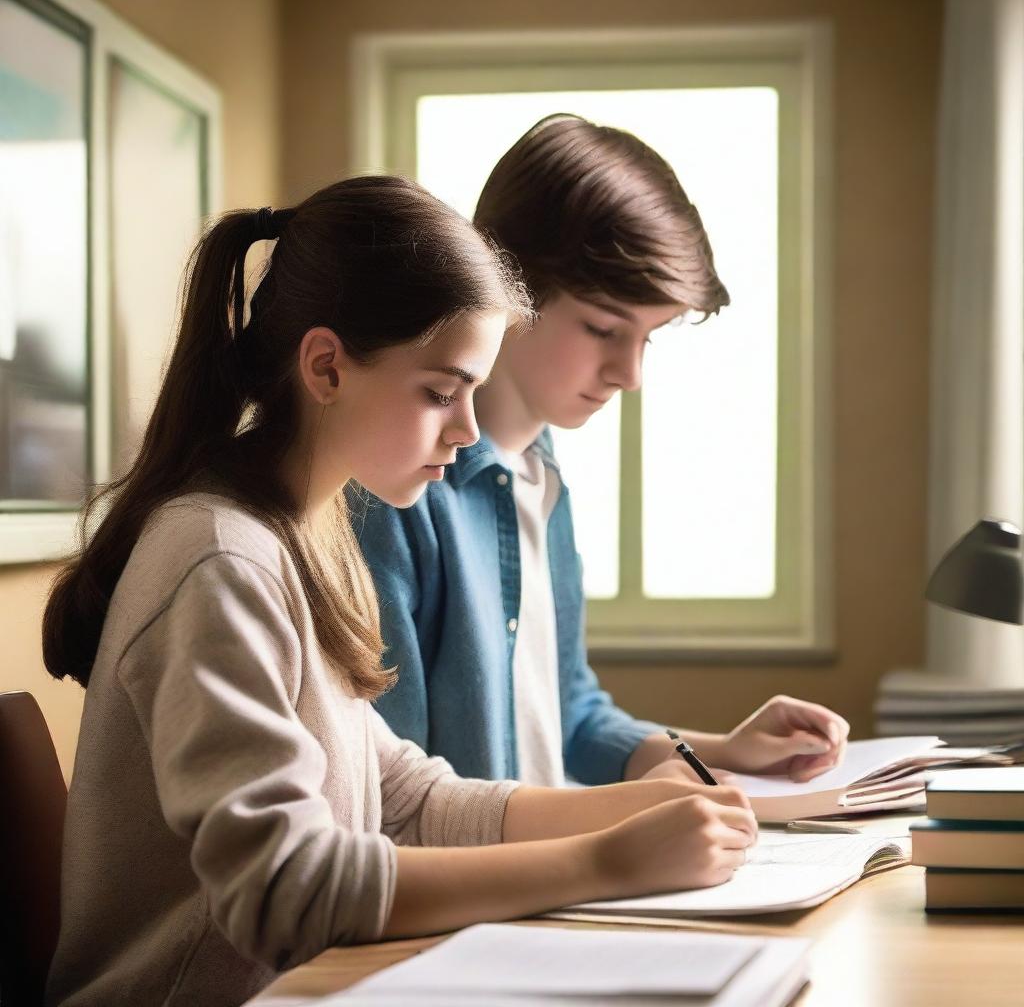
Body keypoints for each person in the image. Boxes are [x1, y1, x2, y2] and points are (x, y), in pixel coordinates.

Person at [41, 176, 756, 1007]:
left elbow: (404, 798)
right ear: (326, 367)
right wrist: (607, 863)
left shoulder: (306, 536)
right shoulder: (219, 562)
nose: (466, 429)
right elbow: (288, 893)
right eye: (441, 392)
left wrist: (625, 812)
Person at [357, 114, 850, 790]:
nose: (630, 374)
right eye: (603, 329)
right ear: (505, 286)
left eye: (651, 337)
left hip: (538, 880)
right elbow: (390, 788)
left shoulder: (541, 470)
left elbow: (572, 718)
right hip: (484, 888)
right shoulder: (393, 490)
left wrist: (726, 752)